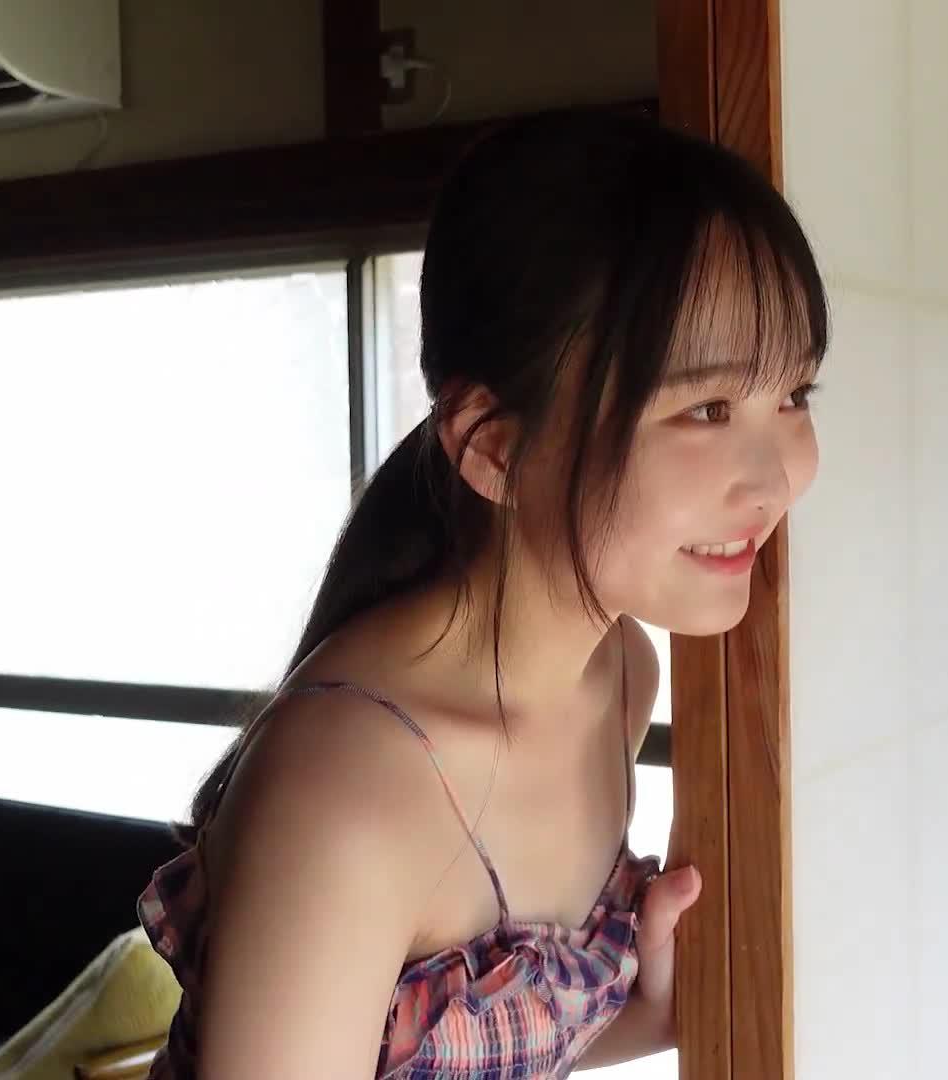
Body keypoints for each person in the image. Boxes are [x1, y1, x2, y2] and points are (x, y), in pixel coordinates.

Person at [136, 107, 829, 1079]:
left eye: (793, 395)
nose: (777, 478)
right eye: (707, 409)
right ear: (496, 446)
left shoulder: (620, 671)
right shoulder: (353, 792)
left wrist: (650, 1012)